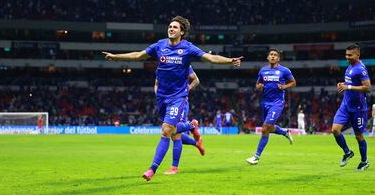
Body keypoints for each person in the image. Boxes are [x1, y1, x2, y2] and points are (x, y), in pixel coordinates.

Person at [102, 15, 243, 181]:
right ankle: (191, 126)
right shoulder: (160, 45)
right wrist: (115, 57)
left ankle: (152, 169)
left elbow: (210, 58)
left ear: (181, 32)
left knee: (166, 131)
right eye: (170, 26)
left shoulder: (188, 48)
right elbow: (138, 55)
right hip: (162, 97)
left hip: (178, 97)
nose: (171, 29)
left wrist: (230, 61)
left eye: (175, 27)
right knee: (171, 131)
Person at [246, 48, 296, 165]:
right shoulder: (263, 71)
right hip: (264, 102)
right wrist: (258, 87)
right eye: (271, 55)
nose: (273, 56)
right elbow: (258, 84)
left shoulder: (284, 70)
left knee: (265, 128)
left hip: (277, 103)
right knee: (269, 127)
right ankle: (285, 133)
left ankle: (256, 157)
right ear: (268, 57)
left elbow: (293, 82)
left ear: (278, 58)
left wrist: (284, 87)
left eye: (275, 55)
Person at [154, 65, 205, 175]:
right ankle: (196, 141)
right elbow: (157, 84)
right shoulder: (162, 65)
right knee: (174, 133)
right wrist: (158, 95)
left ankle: (174, 167)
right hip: (165, 102)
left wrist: (186, 91)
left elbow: (196, 80)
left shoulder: (183, 62)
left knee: (175, 134)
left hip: (179, 101)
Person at [332, 44, 371, 171]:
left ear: (357, 55)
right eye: (346, 54)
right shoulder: (349, 67)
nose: (347, 57)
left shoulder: (361, 69)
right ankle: (347, 152)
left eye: (350, 55)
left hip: (358, 108)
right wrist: (343, 84)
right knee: (335, 130)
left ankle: (364, 161)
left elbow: (367, 88)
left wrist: (348, 87)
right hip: (346, 105)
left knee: (359, 135)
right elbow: (351, 83)